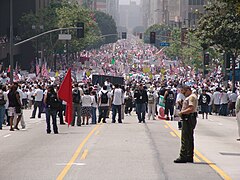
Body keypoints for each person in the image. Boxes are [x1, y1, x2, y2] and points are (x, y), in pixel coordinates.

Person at [174, 86, 198, 163]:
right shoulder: (190, 97)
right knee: (189, 138)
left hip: (188, 118)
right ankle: (189, 155)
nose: (183, 93)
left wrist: (182, 112)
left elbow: (191, 108)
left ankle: (183, 156)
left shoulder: (191, 97)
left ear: (188, 90)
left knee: (185, 138)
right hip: (189, 118)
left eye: (184, 91)